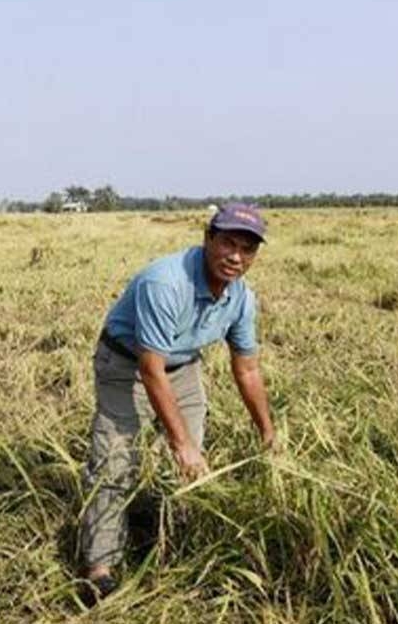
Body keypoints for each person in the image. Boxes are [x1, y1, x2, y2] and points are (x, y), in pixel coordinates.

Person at [80, 202, 276, 602]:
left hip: (183, 367)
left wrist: (268, 434)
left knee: (190, 465)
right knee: (116, 460)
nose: (235, 257)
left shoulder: (241, 298)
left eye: (247, 249)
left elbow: (248, 371)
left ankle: (166, 536)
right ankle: (99, 569)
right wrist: (179, 442)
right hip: (127, 363)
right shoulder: (165, 283)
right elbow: (151, 369)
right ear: (207, 238)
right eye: (227, 243)